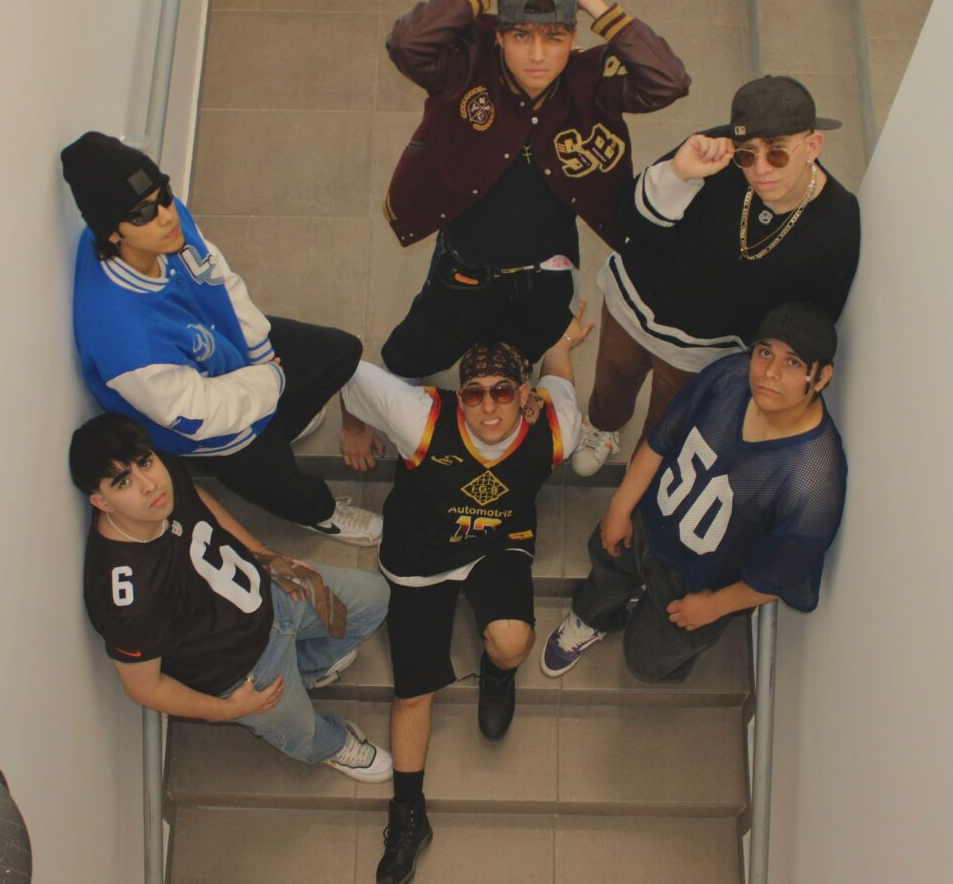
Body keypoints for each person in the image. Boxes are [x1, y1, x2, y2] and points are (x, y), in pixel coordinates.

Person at [341, 311, 590, 884]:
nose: (488, 406)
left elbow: (560, 379)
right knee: (412, 696)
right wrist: (353, 425)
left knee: (512, 641)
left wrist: (559, 342)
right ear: (460, 397)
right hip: (418, 557)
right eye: (474, 393)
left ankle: (496, 674)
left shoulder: (556, 429)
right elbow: (349, 373)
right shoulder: (421, 417)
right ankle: (409, 814)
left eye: (503, 391)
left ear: (523, 395)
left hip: (497, 543)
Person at [374, 0, 688, 375]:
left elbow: (668, 80)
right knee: (419, 350)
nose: (537, 55)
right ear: (498, 36)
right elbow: (407, 43)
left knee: (521, 352)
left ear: (573, 38)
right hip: (467, 264)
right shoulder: (467, 65)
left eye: (554, 37)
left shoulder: (591, 80)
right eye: (521, 36)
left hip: (547, 270)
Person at [62, 131, 381, 543]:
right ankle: (319, 513)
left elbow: (219, 276)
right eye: (143, 213)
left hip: (225, 348)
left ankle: (276, 423)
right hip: (206, 424)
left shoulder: (164, 223)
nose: (166, 215)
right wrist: (270, 380)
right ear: (111, 233)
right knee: (276, 477)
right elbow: (202, 413)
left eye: (164, 195)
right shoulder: (125, 341)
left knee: (340, 352)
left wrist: (261, 355)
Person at [70, 413, 392, 780]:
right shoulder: (126, 599)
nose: (148, 485)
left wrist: (266, 556)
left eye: (145, 463)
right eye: (123, 482)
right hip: (242, 670)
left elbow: (198, 498)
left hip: (267, 595)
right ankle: (331, 745)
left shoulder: (160, 482)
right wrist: (227, 710)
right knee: (301, 732)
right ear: (101, 502)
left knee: (374, 598)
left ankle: (307, 667)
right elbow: (145, 688)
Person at [571, 75, 860, 476]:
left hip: (704, 348)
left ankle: (641, 481)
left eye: (777, 153)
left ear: (812, 146)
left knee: (668, 420)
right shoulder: (713, 156)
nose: (760, 169)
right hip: (633, 304)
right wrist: (678, 174)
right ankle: (602, 427)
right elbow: (630, 222)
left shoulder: (838, 219)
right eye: (747, 154)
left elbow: (815, 314)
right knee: (612, 382)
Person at [543, 303, 847, 684]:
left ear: (821, 376)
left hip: (705, 578)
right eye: (765, 352)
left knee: (646, 661)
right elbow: (662, 438)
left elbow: (782, 574)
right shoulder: (731, 375)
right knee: (608, 566)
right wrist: (620, 506)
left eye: (793, 362)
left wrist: (715, 606)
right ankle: (594, 619)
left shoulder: (813, 479)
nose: (769, 372)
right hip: (653, 517)